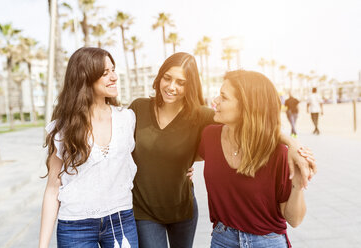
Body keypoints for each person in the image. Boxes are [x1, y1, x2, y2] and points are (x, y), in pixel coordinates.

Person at [129, 53, 316, 248]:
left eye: (181, 82)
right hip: (209, 233)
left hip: (257, 237)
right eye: (167, 78)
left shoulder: (204, 118)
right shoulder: (207, 135)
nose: (215, 101)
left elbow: (257, 124)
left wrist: (292, 147)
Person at [198, 70, 312, 248]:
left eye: (223, 97)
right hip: (222, 239)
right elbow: (185, 153)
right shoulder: (209, 136)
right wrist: (185, 169)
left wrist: (297, 186)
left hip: (268, 242)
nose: (215, 101)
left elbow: (294, 220)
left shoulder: (278, 154)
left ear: (247, 107)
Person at [39, 47, 138, 248]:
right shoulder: (63, 128)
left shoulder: (126, 118)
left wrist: (185, 168)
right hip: (76, 226)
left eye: (113, 70)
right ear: (85, 79)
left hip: (121, 220)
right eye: (105, 73)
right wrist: (42, 245)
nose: (114, 77)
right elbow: (52, 189)